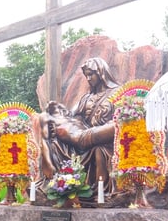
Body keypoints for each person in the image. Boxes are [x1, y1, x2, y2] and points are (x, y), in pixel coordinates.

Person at [38, 57, 121, 193]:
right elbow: (70, 115)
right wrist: (57, 113)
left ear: (101, 72)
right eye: (86, 75)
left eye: (91, 74)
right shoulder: (86, 98)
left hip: (105, 140)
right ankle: (62, 187)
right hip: (82, 141)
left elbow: (121, 118)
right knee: (55, 141)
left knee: (103, 143)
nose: (88, 79)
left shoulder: (117, 93)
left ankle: (99, 193)